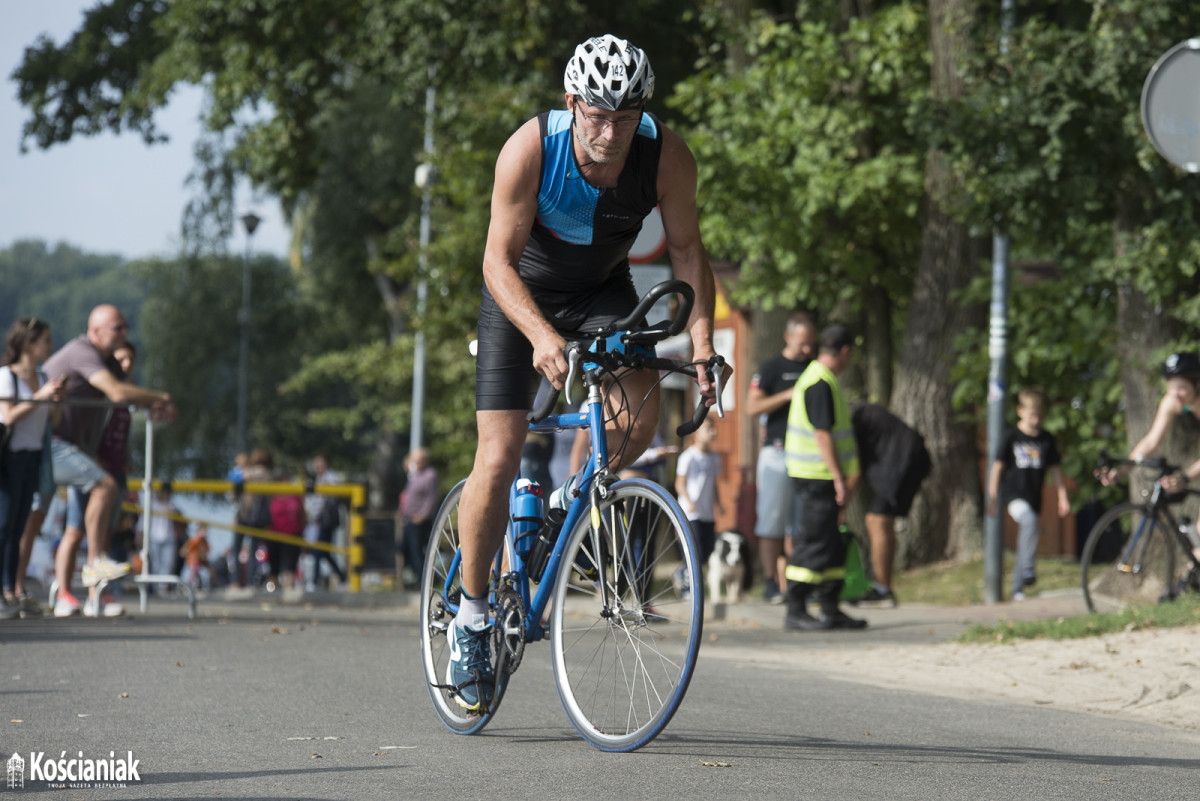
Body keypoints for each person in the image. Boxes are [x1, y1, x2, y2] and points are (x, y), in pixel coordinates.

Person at [449, 34, 723, 711]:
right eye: (596, 116)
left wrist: (704, 341)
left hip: (603, 290)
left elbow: (687, 249)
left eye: (624, 119)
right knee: (500, 450)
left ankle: (565, 503)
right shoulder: (531, 149)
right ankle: (473, 616)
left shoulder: (664, 155)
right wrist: (540, 334)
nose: (609, 133)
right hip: (522, 295)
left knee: (640, 411)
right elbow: (495, 260)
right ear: (573, 103)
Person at [44, 304, 176, 617]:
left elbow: (126, 392)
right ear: (96, 331)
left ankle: (93, 589)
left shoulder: (107, 361)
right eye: (118, 327)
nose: (124, 332)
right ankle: (62, 590)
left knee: (96, 522)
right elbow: (118, 393)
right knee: (75, 516)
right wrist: (162, 398)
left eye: (125, 326)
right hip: (48, 442)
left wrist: (153, 404)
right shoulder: (82, 351)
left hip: (80, 450)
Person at [782, 324, 866, 631]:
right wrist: (840, 479)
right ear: (845, 352)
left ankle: (830, 607)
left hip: (821, 475)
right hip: (816, 475)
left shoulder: (822, 379)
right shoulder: (818, 381)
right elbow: (822, 435)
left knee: (831, 542)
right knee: (813, 543)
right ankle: (795, 607)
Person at [746, 311, 818, 604]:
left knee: (800, 525)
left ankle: (797, 584)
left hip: (808, 455)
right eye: (802, 343)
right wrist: (788, 395)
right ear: (788, 337)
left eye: (811, 343)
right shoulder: (772, 368)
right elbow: (752, 408)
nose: (807, 349)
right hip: (776, 453)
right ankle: (770, 584)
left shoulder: (815, 368)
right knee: (772, 523)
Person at [0, 318, 65, 619]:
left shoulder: (42, 377)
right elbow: (8, 416)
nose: (50, 347)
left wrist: (55, 402)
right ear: (29, 343)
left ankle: (12, 589)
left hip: (33, 457)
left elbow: (54, 423)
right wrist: (39, 398)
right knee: (4, 525)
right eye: (45, 340)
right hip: (9, 459)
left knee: (18, 528)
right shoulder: (6, 377)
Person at [986, 387, 1070, 601]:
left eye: (1039, 415)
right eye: (1032, 415)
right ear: (1020, 411)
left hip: (1035, 497)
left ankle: (1017, 589)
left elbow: (1056, 471)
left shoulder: (1046, 439)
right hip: (1014, 495)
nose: (1036, 420)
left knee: (1027, 534)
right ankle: (1028, 568)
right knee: (1029, 522)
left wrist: (1063, 497)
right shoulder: (1011, 436)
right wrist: (993, 496)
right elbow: (997, 467)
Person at [848, 402, 932, 608]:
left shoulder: (847, 419)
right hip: (907, 460)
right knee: (881, 521)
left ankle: (882, 590)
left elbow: (855, 469)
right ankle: (883, 587)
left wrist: (842, 502)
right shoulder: (857, 412)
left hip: (902, 463)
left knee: (876, 520)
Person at [675, 418, 723, 568]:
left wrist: (718, 504)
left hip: (707, 513)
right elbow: (679, 484)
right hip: (691, 514)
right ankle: (686, 584)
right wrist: (690, 503)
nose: (713, 432)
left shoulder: (715, 458)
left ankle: (684, 578)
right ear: (695, 433)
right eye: (709, 428)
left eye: (713, 428)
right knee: (694, 553)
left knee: (707, 551)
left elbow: (714, 484)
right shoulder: (688, 457)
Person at [396, 447, 438, 589]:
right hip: (408, 518)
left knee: (416, 551)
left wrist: (423, 515)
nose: (417, 464)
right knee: (403, 549)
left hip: (419, 520)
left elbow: (431, 498)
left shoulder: (430, 475)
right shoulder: (413, 475)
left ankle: (424, 582)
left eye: (420, 461)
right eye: (415, 461)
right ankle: (428, 577)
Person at [305, 453, 346, 592]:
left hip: (326, 520)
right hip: (319, 520)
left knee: (318, 551)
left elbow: (333, 496)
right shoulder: (318, 478)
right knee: (325, 552)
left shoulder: (330, 477)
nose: (317, 466)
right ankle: (342, 578)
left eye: (320, 463)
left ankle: (314, 581)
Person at [137, 481, 185, 594]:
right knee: (155, 565)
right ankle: (155, 588)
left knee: (168, 564)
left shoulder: (172, 506)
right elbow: (141, 524)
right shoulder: (151, 505)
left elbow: (181, 525)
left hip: (169, 539)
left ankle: (162, 588)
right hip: (154, 539)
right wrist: (139, 536)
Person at [268, 468, 306, 591]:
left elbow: (302, 514)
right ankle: (273, 593)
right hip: (274, 535)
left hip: (292, 534)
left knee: (290, 567)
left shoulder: (295, 494)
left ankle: (289, 592)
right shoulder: (271, 495)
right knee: (274, 567)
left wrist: (303, 533)